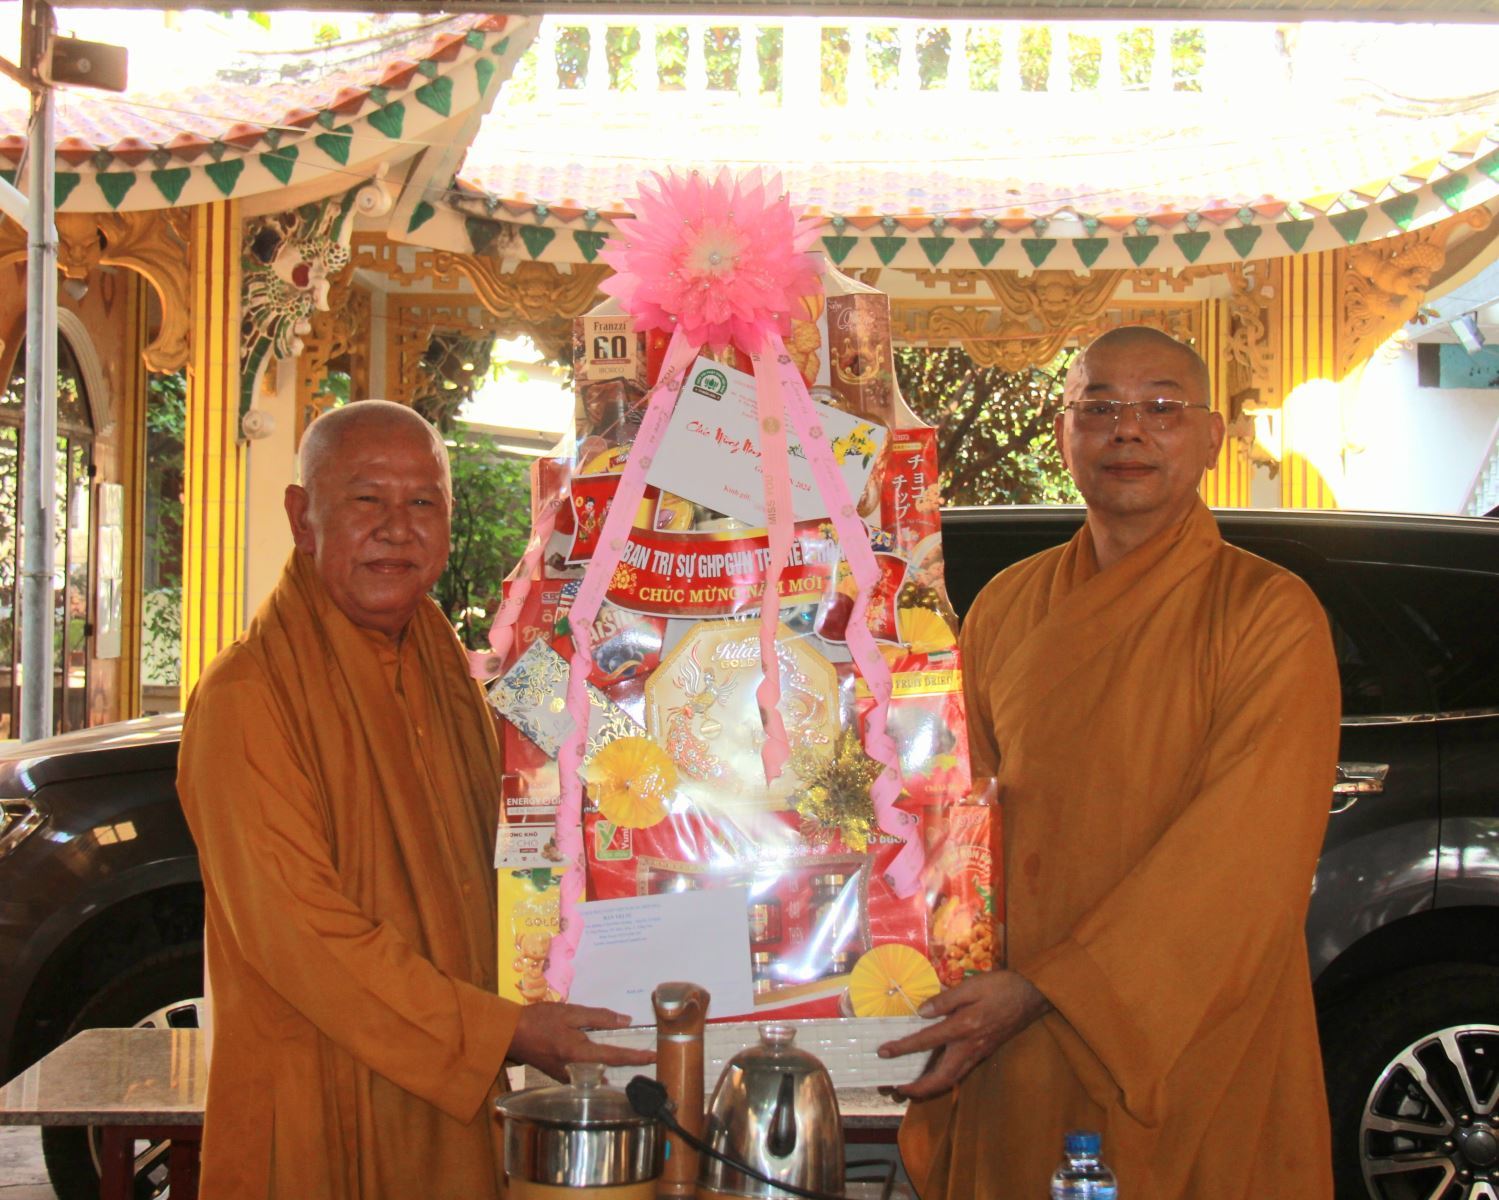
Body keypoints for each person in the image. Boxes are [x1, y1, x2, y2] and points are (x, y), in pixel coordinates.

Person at [882, 327, 1340, 1198]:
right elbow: (952, 814)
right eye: (1097, 408)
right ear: (1063, 434)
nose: (1127, 430)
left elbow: (1244, 858)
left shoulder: (1268, 614)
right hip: (1004, 1024)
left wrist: (1048, 987)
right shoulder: (1005, 606)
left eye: (1161, 407)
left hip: (1178, 1025)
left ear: (1211, 438)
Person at [177, 401, 652, 1200]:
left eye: (423, 502)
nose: (397, 529)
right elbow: (303, 938)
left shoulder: (440, 660)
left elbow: (553, 799)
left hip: (451, 1095)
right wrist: (503, 1030)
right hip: (319, 1096)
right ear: (301, 517)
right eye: (367, 499)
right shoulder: (247, 696)